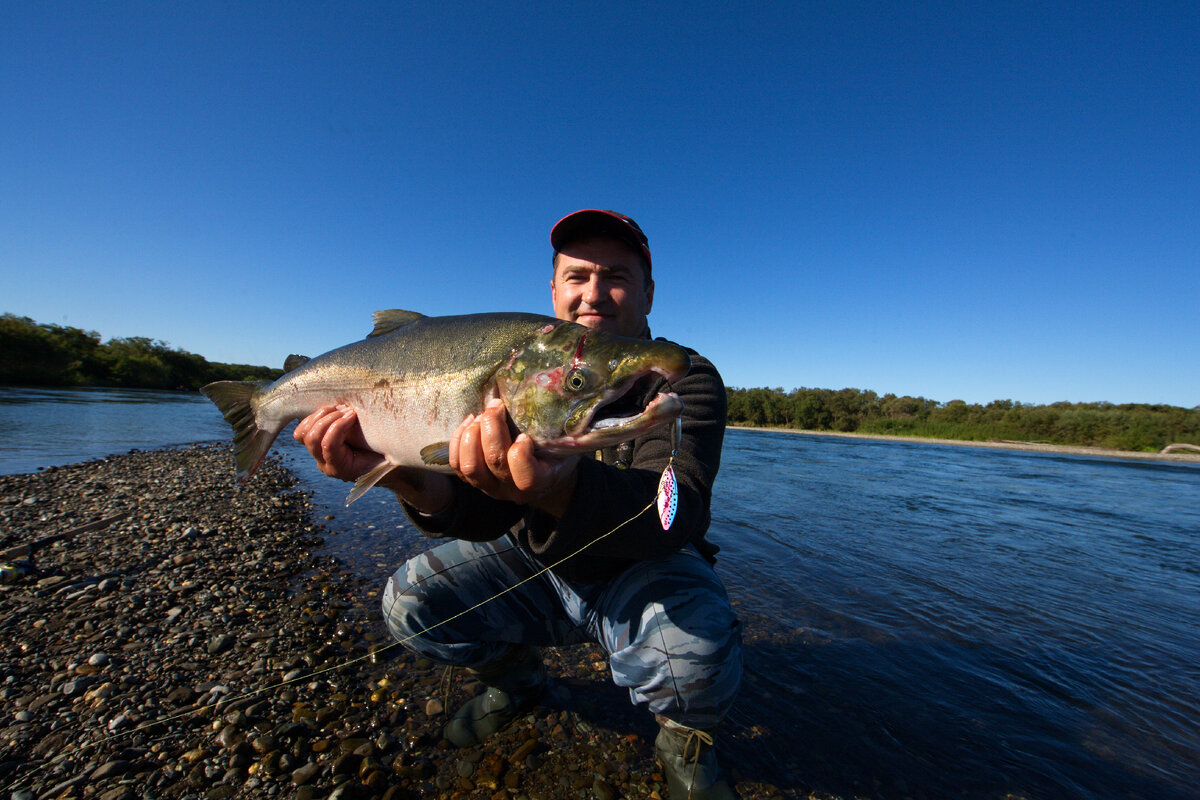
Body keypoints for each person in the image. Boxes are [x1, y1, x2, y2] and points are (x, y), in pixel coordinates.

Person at [294, 209, 742, 799]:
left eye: (617, 276)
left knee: (698, 653)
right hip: (537, 569)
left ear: (648, 291)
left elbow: (672, 515)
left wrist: (557, 489)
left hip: (645, 570)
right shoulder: (524, 370)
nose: (594, 293)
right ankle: (518, 681)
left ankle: (683, 743)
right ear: (554, 290)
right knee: (409, 602)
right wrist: (399, 477)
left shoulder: (681, 378)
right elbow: (483, 517)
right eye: (577, 276)